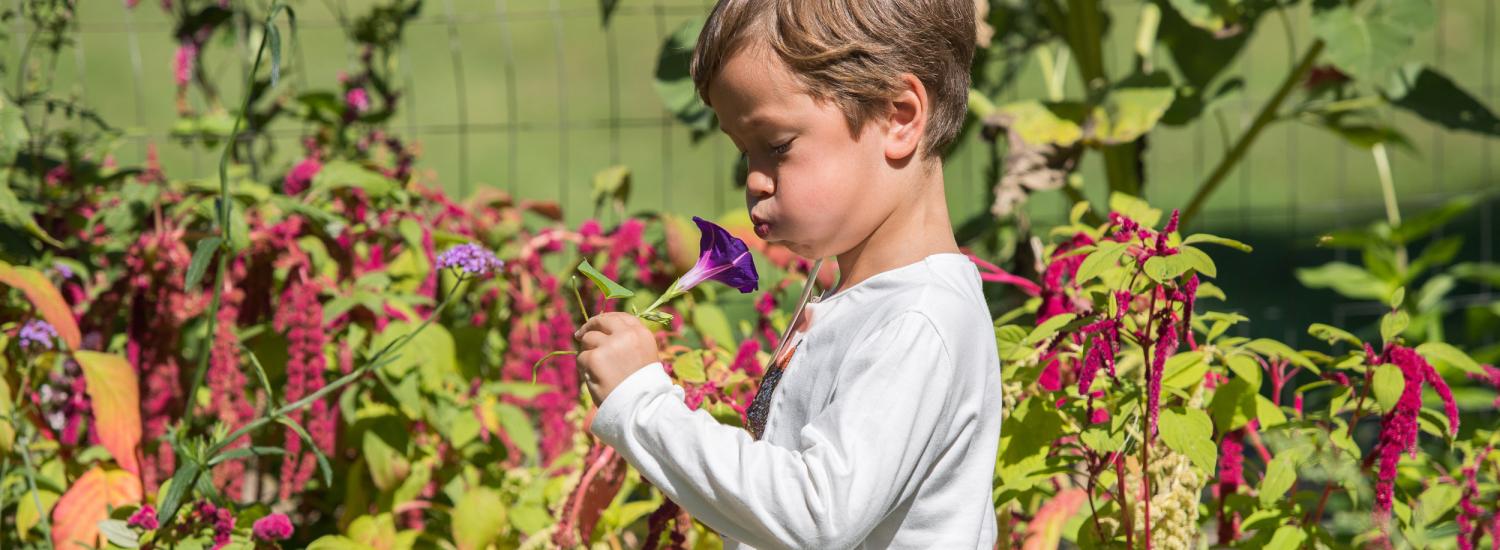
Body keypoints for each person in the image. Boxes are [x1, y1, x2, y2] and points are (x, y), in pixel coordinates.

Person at [574, 0, 1002, 547]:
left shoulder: (920, 320)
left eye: (776, 147)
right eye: (744, 151)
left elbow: (815, 514)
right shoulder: (857, 299)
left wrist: (644, 408)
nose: (753, 181)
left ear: (898, 116)